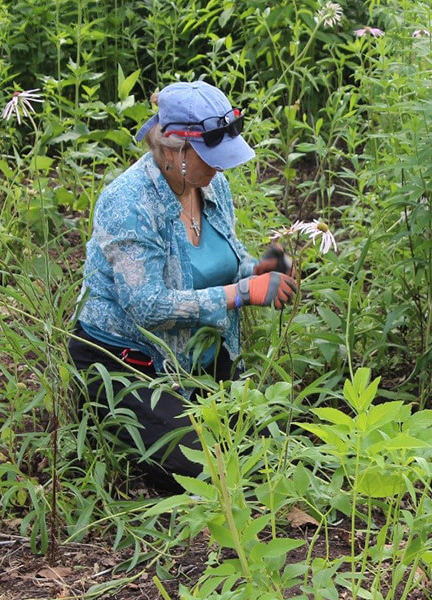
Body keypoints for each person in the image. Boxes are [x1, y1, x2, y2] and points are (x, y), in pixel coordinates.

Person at [68, 81, 297, 492]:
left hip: (193, 351)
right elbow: (146, 307)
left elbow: (226, 259)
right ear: (174, 150)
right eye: (211, 158)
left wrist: (257, 270)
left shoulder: (211, 185)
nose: (221, 168)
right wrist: (241, 294)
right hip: (126, 359)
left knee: (269, 441)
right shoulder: (128, 202)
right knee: (207, 469)